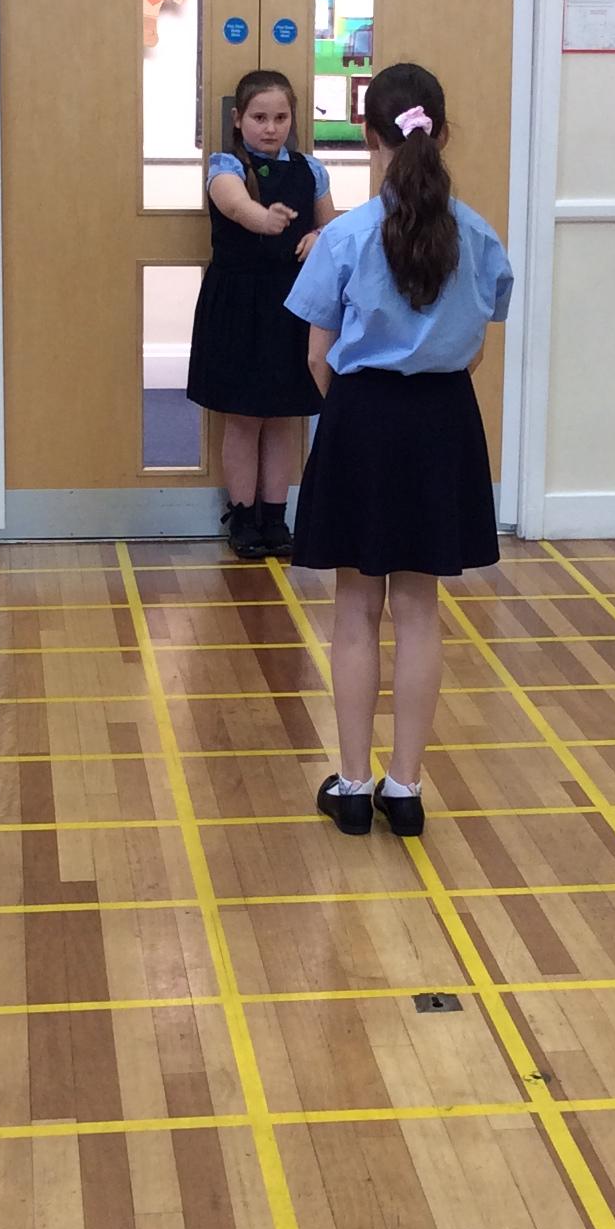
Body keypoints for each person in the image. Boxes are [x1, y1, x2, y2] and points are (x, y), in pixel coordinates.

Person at [285, 63, 512, 836]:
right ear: (441, 132)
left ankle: (352, 785)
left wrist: (355, 416)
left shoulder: (346, 236)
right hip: (442, 422)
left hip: (362, 419)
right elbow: (477, 343)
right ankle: (405, 787)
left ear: (370, 137)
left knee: (356, 607)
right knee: (420, 610)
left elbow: (318, 354)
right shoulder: (478, 234)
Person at [186, 69, 337, 558]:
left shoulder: (310, 170)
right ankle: (242, 516)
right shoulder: (225, 166)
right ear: (238, 118)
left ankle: (276, 516)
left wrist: (317, 236)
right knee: (244, 417)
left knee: (282, 418)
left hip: (293, 304)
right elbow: (234, 206)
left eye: (280, 117)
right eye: (259, 117)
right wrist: (264, 219)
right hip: (238, 304)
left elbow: (330, 225)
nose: (270, 128)